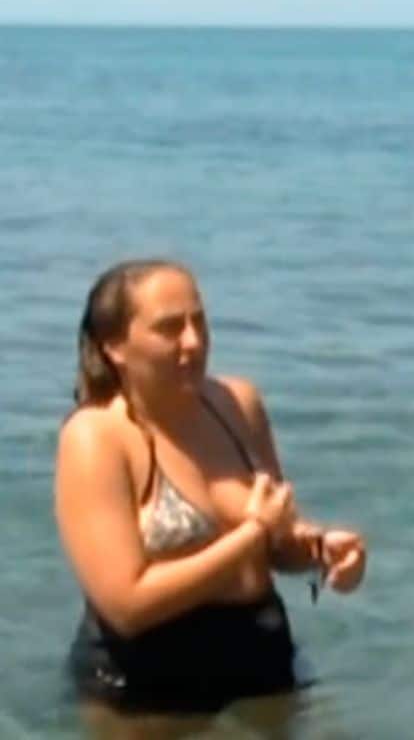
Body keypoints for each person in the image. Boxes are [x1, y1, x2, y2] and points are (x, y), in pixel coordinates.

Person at [55, 259, 366, 729]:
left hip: (263, 661)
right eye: (169, 328)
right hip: (146, 687)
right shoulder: (97, 438)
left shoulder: (237, 403)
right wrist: (251, 534)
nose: (193, 342)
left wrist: (320, 549)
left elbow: (277, 543)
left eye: (199, 321)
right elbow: (126, 606)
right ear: (114, 346)